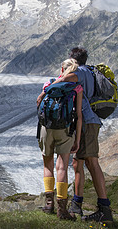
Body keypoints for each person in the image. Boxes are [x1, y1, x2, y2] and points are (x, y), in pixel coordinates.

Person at [54, 47, 113, 223]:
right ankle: (76, 205)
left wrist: (59, 76)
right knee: (77, 162)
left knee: (92, 162)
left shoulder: (78, 71)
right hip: (88, 121)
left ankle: (105, 209)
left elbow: (64, 80)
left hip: (87, 121)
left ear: (72, 60)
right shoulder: (89, 71)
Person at [37, 58, 83, 220]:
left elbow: (38, 103)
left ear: (61, 68)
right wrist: (77, 139)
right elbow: (78, 114)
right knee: (62, 166)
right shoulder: (77, 88)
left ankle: (49, 204)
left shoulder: (48, 84)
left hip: (46, 128)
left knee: (47, 164)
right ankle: (62, 210)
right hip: (65, 129)